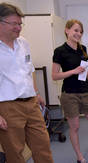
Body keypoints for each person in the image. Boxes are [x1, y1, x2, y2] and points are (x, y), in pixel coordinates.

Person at [0, 3, 54, 163]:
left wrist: (37, 93)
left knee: (43, 146)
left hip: (31, 104)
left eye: (20, 24)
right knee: (15, 153)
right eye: (14, 24)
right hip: (7, 106)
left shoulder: (23, 43)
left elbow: (29, 70)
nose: (18, 28)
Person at [52, 19, 88, 163]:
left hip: (85, 92)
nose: (79, 34)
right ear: (67, 30)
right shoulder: (59, 51)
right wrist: (73, 71)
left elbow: (85, 68)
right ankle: (80, 157)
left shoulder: (83, 49)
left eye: (81, 31)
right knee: (75, 128)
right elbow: (55, 76)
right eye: (76, 30)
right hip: (69, 94)